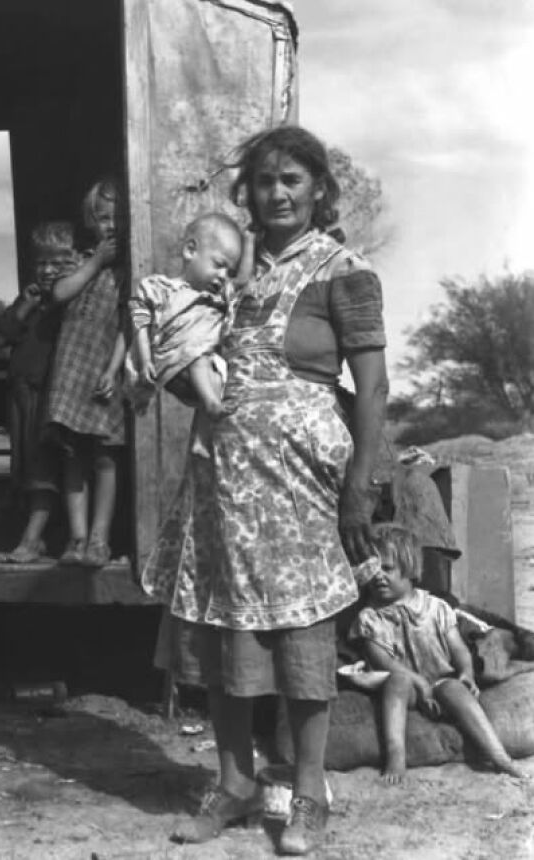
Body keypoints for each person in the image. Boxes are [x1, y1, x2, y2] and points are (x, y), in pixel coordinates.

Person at [141, 125, 388, 856]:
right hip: (223, 479)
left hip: (299, 484)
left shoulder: (346, 272)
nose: (277, 193)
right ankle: (234, 782)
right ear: (245, 191)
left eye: (292, 180)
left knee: (301, 637)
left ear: (319, 189)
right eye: (264, 181)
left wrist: (358, 486)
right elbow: (193, 358)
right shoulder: (226, 274)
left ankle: (309, 794)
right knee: (225, 629)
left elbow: (374, 389)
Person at [350, 522, 528, 784]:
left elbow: (458, 648)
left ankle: (499, 756)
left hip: (440, 679)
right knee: (397, 682)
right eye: (372, 570)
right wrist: (419, 683)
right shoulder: (370, 618)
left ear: (410, 570)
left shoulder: (436, 608)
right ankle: (396, 754)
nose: (378, 576)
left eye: (386, 568)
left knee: (454, 688)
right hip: (407, 685)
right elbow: (384, 661)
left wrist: (466, 672)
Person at [43, 178, 127, 567]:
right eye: (104, 218)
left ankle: (99, 539)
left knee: (106, 455)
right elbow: (59, 293)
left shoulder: (129, 270)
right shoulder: (79, 260)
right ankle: (77, 538)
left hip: (105, 371)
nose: (111, 226)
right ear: (92, 221)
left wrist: (113, 369)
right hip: (72, 370)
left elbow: (130, 324)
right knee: (73, 454)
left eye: (118, 218)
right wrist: (95, 263)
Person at [0, 221, 79, 561]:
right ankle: (37, 531)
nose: (47, 270)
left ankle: (32, 538)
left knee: (43, 465)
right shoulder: (30, 299)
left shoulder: (71, 302)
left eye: (57, 263)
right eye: (42, 262)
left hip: (50, 396)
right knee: (25, 463)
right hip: (21, 395)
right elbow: (0, 337)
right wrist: (24, 307)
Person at [126, 212, 248, 419]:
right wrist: (145, 360)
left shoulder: (219, 296)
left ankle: (208, 420)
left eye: (229, 272)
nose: (223, 276)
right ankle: (211, 404)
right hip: (174, 363)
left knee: (218, 375)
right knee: (198, 357)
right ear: (190, 250)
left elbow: (243, 282)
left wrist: (250, 240)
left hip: (202, 373)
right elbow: (140, 322)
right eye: (219, 265)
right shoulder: (160, 288)